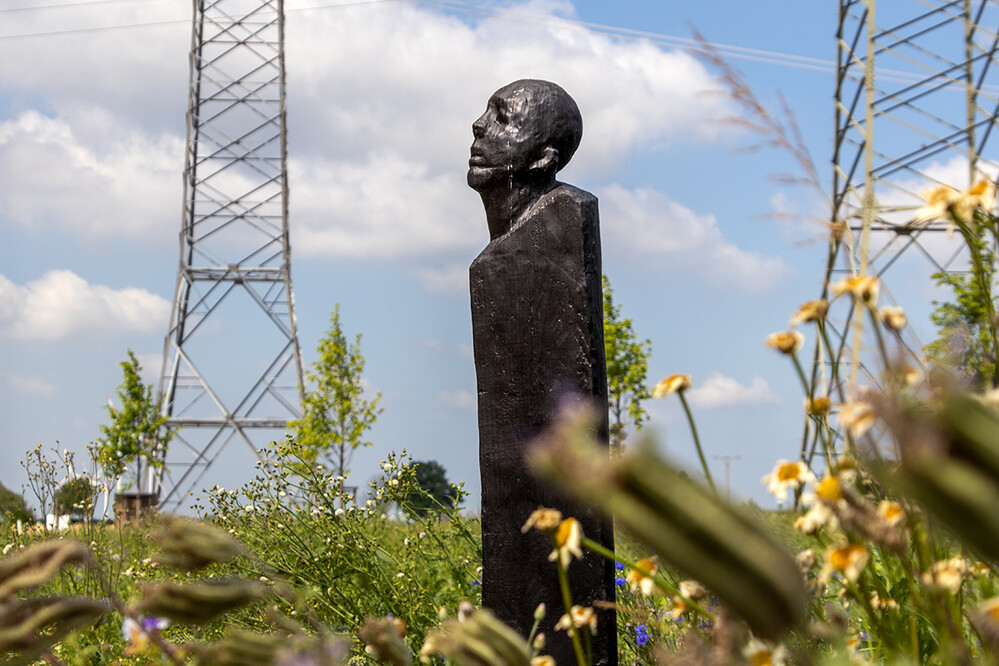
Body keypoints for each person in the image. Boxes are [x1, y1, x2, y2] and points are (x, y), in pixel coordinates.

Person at [467, 79, 584, 240]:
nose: (478, 125)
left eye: (501, 118)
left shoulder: (554, 234)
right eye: (488, 113)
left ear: (544, 158)